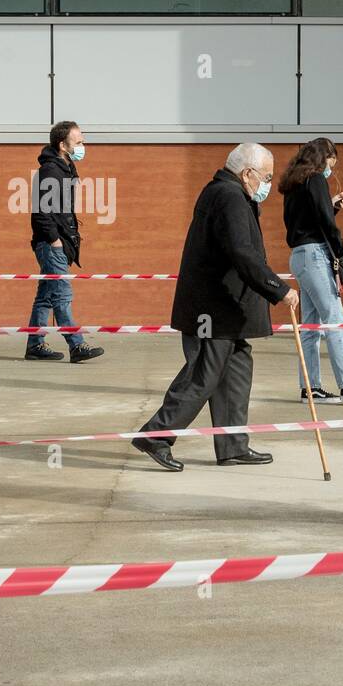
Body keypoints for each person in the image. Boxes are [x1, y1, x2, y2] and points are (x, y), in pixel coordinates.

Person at [132, 144, 298, 472]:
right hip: (214, 308)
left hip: (228, 309)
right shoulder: (230, 197)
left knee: (235, 371)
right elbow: (242, 253)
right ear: (247, 173)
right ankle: (156, 435)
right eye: (265, 176)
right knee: (204, 372)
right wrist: (278, 289)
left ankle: (233, 445)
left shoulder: (228, 193)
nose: (267, 184)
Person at [279, 137, 343, 406]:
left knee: (311, 325)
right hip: (315, 256)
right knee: (336, 320)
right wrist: (341, 251)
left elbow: (309, 220)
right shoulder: (315, 180)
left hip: (299, 256)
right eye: (332, 162)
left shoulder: (294, 184)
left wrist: (330, 206)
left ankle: (311, 387)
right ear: (324, 157)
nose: (332, 169)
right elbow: (325, 223)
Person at [25, 121, 104, 363]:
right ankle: (77, 345)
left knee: (46, 296)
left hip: (58, 244)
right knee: (62, 294)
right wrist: (55, 240)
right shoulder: (51, 171)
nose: (83, 145)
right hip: (51, 245)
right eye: (78, 142)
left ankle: (35, 345)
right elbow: (41, 214)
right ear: (62, 145)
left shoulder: (65, 168)